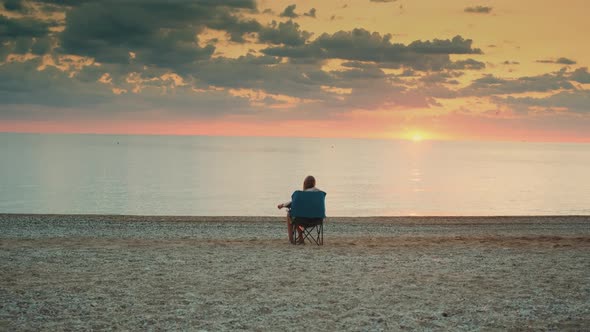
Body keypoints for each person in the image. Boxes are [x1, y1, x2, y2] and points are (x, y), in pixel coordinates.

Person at [277, 175, 322, 244]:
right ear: (314, 183)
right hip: (317, 220)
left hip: (303, 221)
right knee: (297, 214)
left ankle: (293, 240)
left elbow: (293, 203)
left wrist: (282, 205)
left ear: (305, 184)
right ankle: (300, 238)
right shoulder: (320, 194)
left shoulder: (302, 194)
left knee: (291, 214)